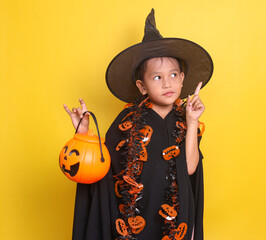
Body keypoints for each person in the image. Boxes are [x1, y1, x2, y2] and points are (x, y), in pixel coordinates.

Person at [63, 9, 213, 240]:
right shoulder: (127, 122)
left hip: (176, 220)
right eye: (157, 77)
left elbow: (190, 168)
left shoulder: (187, 119)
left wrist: (192, 122)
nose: (167, 83)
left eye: (173, 75)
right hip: (135, 220)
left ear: (183, 78)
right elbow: (101, 166)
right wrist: (84, 137)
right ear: (142, 87)